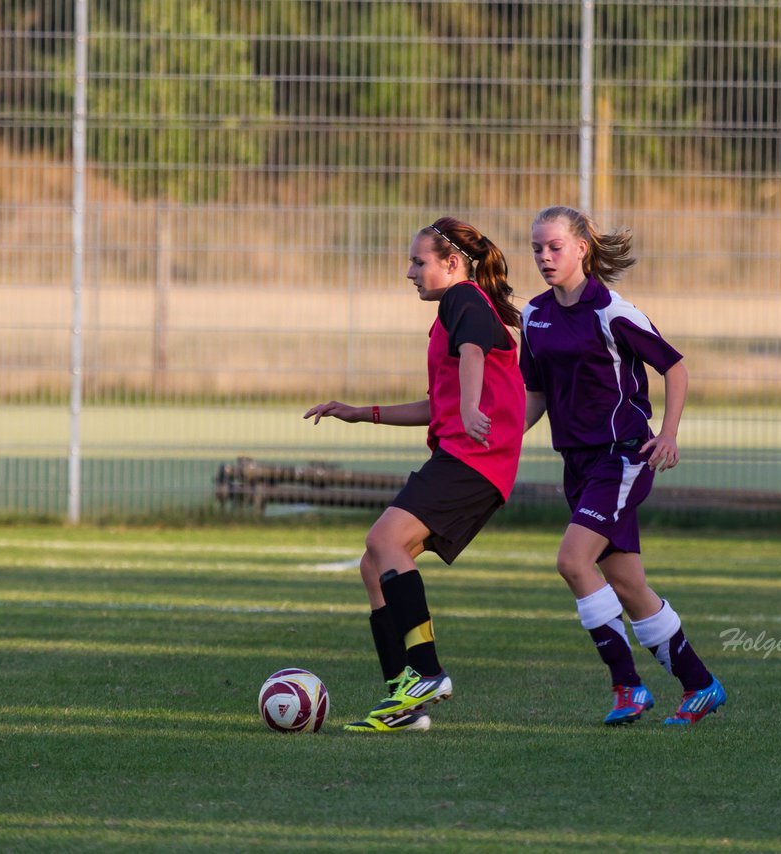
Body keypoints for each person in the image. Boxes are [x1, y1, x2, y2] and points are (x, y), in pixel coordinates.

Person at [304, 217, 524, 733]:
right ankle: (404, 704)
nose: (409, 272)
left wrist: (471, 410)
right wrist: (363, 412)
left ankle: (427, 673)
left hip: (474, 459)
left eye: (417, 261)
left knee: (385, 538)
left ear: (451, 264)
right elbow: (438, 405)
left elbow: (472, 356)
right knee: (373, 562)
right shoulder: (460, 308)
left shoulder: (462, 298)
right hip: (468, 459)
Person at [520, 205, 724, 727]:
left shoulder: (613, 311)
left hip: (622, 456)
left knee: (572, 561)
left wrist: (669, 434)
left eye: (555, 247)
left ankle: (627, 686)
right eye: (537, 248)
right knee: (629, 584)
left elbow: (674, 367)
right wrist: (500, 440)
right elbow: (536, 396)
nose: (544, 256)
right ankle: (700, 684)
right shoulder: (534, 315)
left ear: (582, 247)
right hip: (577, 463)